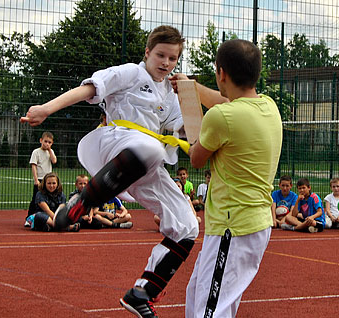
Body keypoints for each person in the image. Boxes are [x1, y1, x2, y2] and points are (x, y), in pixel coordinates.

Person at [21, 25, 199, 318]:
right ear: (147, 52)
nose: (166, 64)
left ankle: (142, 293)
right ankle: (83, 202)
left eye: (173, 59)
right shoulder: (131, 73)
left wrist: (191, 96)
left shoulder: (170, 92)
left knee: (188, 226)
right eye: (160, 55)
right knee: (150, 149)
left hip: (145, 163)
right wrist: (46, 109)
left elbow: (188, 130)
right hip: (116, 142)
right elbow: (90, 88)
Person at [171, 39, 282, 317]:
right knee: (200, 295)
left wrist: (189, 119)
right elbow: (227, 102)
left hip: (233, 226)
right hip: (248, 225)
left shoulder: (222, 117)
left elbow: (197, 159)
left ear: (221, 73)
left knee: (210, 310)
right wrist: (192, 88)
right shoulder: (269, 106)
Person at [26, 131, 57, 226]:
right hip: (40, 179)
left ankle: (45, 216)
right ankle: (29, 218)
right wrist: (36, 180)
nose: (47, 144)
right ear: (41, 140)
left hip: (48, 180)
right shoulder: (36, 152)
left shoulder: (50, 152)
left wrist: (50, 150)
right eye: (45, 141)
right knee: (36, 199)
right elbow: (34, 165)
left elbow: (54, 161)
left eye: (49, 142)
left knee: (47, 199)